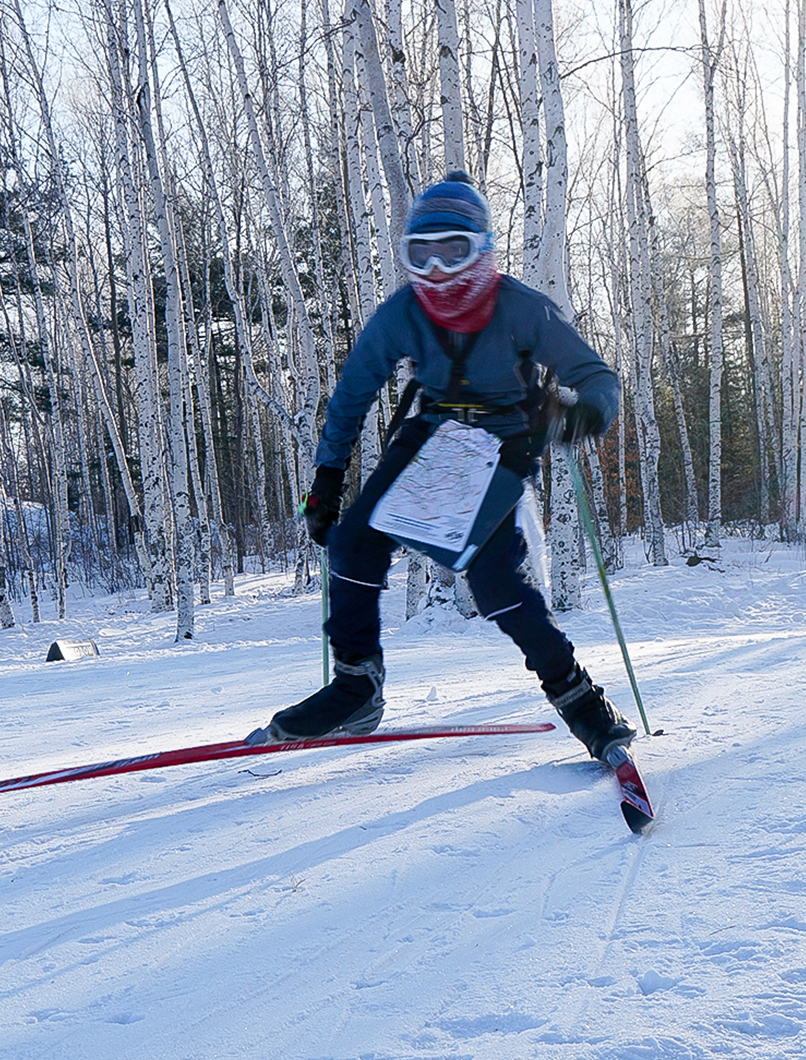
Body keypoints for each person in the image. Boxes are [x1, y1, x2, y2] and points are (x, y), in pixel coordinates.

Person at [248, 170, 637, 768]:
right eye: (419, 254)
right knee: (351, 541)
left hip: (504, 443)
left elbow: (597, 378)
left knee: (495, 583)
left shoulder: (522, 309)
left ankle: (580, 699)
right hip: (431, 436)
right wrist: (325, 482)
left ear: (482, 251)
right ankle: (356, 685)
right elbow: (352, 393)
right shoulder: (403, 313)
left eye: (452, 250)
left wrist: (579, 416)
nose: (436, 271)